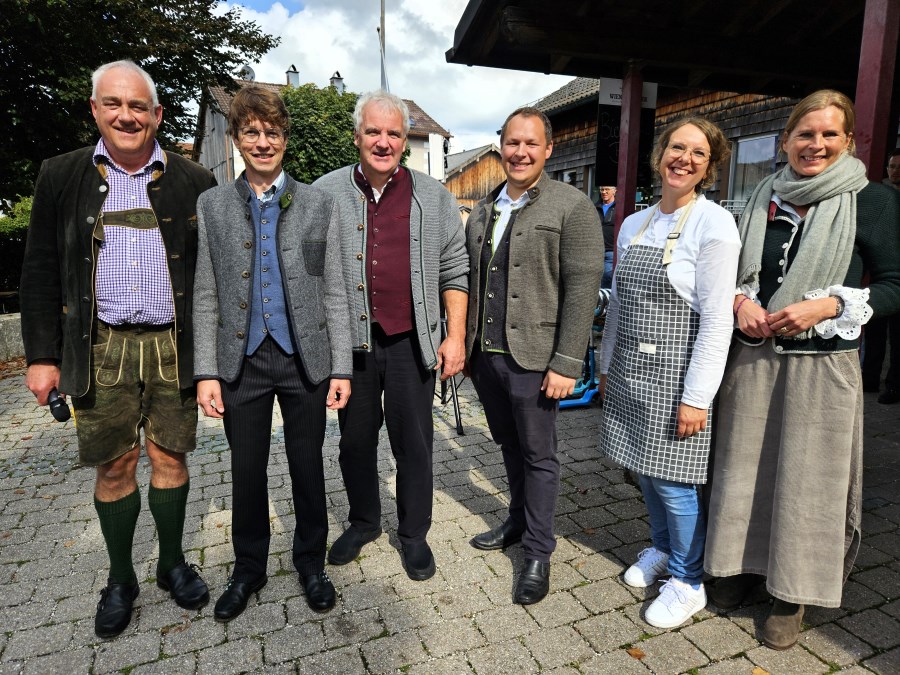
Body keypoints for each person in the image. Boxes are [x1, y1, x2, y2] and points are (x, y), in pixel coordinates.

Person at [20, 60, 215, 638]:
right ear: (95, 110)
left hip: (173, 346)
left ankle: (172, 563)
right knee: (115, 463)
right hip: (99, 346)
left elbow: (212, 277)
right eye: (114, 104)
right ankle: (121, 576)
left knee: (171, 458)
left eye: (138, 107)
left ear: (157, 115)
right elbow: (40, 270)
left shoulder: (194, 179)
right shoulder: (61, 175)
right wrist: (41, 356)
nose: (126, 116)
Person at [704, 90, 900, 650]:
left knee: (808, 483)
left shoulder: (874, 200)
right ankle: (738, 567)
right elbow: (736, 276)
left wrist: (829, 305)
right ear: (785, 140)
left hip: (823, 365)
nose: (815, 144)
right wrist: (741, 303)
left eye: (828, 135)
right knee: (744, 472)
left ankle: (791, 594)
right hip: (753, 357)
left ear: (848, 141)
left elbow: (894, 285)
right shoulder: (760, 196)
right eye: (805, 134)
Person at [193, 85, 352, 620]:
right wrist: (206, 372)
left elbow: (335, 288)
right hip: (242, 361)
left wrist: (342, 367)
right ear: (237, 138)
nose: (262, 142)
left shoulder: (317, 203)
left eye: (273, 132)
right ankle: (248, 568)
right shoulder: (212, 204)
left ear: (286, 137)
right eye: (251, 132)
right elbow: (207, 290)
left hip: (304, 358)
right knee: (247, 469)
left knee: (308, 466)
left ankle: (311, 562)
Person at [313, 91, 468, 581]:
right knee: (355, 442)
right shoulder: (325, 193)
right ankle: (363, 522)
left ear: (405, 140)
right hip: (351, 346)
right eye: (374, 132)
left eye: (394, 133)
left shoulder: (435, 196)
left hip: (410, 341)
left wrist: (455, 337)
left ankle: (414, 533)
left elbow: (454, 270)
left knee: (415, 443)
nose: (384, 142)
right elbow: (312, 274)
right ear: (357, 136)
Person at [598, 117, 740, 628]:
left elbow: (717, 318)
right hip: (630, 369)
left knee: (676, 481)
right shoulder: (634, 223)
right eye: (676, 147)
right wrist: (605, 363)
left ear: (709, 166)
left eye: (698, 153)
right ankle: (660, 549)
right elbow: (617, 307)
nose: (684, 158)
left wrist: (697, 397)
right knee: (644, 470)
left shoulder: (714, 224)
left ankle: (688, 579)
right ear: (660, 154)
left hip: (677, 374)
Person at [465, 107, 602, 605]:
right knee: (507, 445)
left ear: (548, 150)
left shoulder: (573, 206)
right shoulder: (484, 208)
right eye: (512, 142)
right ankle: (518, 522)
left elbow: (583, 288)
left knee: (539, 455)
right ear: (501, 146)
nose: (520, 152)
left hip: (537, 359)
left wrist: (567, 361)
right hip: (487, 358)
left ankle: (539, 551)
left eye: (530, 144)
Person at [862, 148, 900, 403]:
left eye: (899, 167)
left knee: (897, 337)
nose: (894, 171)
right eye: (891, 166)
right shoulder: (879, 196)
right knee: (873, 328)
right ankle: (870, 379)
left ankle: (894, 385)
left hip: (896, 275)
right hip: (877, 273)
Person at [598, 186, 617, 288]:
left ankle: (607, 302)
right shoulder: (595, 207)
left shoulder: (619, 207)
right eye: (602, 190)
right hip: (596, 250)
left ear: (614, 191)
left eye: (607, 189)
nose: (604, 192)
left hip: (611, 250)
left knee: (607, 277)